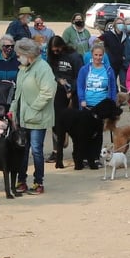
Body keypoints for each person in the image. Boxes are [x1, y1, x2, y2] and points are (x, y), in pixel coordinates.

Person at [11, 38, 56, 195]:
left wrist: (33, 109)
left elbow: (48, 92)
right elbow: (18, 92)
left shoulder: (43, 68)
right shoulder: (23, 68)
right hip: (24, 118)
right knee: (22, 150)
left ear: (27, 54)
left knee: (36, 149)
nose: (18, 58)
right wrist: (13, 109)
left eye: (19, 54)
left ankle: (38, 182)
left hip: (38, 118)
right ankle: (21, 181)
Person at [75, 41, 122, 168]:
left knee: (98, 133)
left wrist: (112, 103)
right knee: (85, 132)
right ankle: (84, 156)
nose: (98, 57)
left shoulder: (108, 70)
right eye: (96, 55)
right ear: (92, 55)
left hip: (102, 107)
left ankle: (95, 157)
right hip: (88, 105)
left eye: (100, 55)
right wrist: (81, 99)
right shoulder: (85, 70)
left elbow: (112, 87)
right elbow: (79, 85)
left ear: (103, 56)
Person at [44, 36, 83, 167]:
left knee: (76, 124)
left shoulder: (74, 56)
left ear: (62, 46)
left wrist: (72, 90)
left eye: (57, 50)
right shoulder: (52, 56)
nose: (56, 52)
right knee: (56, 122)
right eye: (53, 50)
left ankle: (78, 154)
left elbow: (80, 75)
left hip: (74, 91)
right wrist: (58, 79)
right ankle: (57, 151)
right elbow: (51, 71)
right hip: (59, 90)